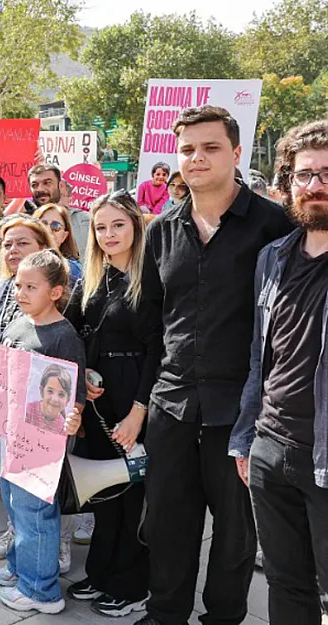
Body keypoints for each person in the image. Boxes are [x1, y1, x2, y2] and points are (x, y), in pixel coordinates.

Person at [137, 105, 293, 625]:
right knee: (166, 522)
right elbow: (155, 321)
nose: (197, 158)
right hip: (174, 404)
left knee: (235, 532)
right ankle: (165, 612)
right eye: (187, 150)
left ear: (236, 152)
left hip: (243, 409)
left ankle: (223, 617)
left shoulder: (275, 226)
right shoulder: (161, 231)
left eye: (210, 148)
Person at [230, 119, 328, 625]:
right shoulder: (272, 257)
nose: (316, 186)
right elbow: (259, 357)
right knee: (287, 585)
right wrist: (247, 438)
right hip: (271, 452)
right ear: (288, 184)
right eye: (306, 175)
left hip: (325, 453)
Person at [0, 249, 85, 615]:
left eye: (31, 286)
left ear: (55, 292)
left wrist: (74, 416)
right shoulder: (18, 324)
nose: (20, 292)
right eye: (18, 284)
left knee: (36, 515)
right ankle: (21, 569)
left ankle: (42, 590)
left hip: (41, 445)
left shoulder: (64, 336)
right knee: (16, 509)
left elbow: (73, 394)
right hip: (8, 436)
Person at [62, 191, 159, 618]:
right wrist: (80, 377)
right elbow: (74, 330)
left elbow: (159, 351)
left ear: (136, 225)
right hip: (99, 401)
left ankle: (133, 584)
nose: (108, 234)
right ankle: (101, 572)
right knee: (104, 494)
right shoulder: (93, 278)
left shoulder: (153, 278)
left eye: (117, 224)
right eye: (101, 227)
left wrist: (139, 411)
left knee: (133, 497)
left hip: (136, 398)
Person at [28, 165, 89, 257]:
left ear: (60, 186)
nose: (40, 189)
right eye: (34, 185)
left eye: (47, 183)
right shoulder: (26, 224)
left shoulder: (86, 221)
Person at [34, 203, 82, 281]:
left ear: (64, 236)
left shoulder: (75, 271)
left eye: (55, 226)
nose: (48, 231)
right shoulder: (18, 261)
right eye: (42, 224)